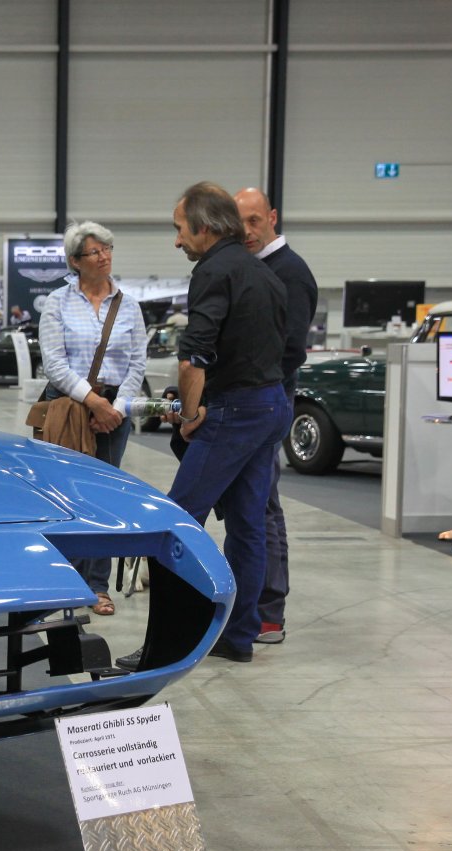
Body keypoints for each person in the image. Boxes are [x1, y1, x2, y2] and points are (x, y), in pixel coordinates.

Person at [130, 181, 288, 665]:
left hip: (235, 412)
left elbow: (193, 358)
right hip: (270, 405)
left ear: (204, 226)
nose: (177, 240)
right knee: (247, 526)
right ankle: (238, 637)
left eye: (180, 229)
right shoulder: (264, 274)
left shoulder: (213, 271)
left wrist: (191, 414)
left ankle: (166, 647)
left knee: (175, 524)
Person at [37, 220, 148, 617]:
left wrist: (116, 408)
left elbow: (137, 363)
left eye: (107, 249)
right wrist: (93, 402)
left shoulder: (129, 305)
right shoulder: (57, 303)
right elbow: (54, 363)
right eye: (94, 251)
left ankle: (97, 585)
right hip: (70, 406)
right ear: (75, 261)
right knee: (65, 493)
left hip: (114, 412)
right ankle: (64, 579)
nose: (104, 257)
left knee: (103, 496)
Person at [235, 187, 318, 645]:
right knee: (253, 506)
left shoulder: (290, 272)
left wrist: (253, 392)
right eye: (239, 223)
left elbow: (291, 351)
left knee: (263, 506)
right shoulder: (256, 268)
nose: (247, 231)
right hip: (256, 401)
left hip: (268, 402)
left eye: (254, 220)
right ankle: (255, 606)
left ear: (272, 217)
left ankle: (268, 612)